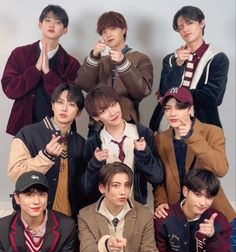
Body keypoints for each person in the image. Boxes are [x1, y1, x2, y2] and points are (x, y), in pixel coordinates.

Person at [154, 86, 235, 222]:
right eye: (168, 108)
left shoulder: (213, 132)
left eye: (179, 107)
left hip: (210, 211)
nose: (172, 113)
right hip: (177, 212)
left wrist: (192, 137)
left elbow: (221, 169)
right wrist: (160, 200)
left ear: (190, 109)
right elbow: (159, 178)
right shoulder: (161, 138)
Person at [8, 82, 87, 220]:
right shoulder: (27, 134)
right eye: (60, 102)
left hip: (68, 221)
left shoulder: (81, 143)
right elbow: (15, 173)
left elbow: (83, 187)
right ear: (52, 105)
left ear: (79, 112)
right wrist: (46, 156)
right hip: (33, 218)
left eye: (71, 104)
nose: (64, 108)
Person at [2, 4, 80, 136]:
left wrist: (48, 73)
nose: (51, 25)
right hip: (24, 127)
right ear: (40, 24)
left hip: (59, 129)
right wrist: (36, 70)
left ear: (65, 29)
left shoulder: (72, 63)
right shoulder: (19, 54)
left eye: (58, 22)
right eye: (48, 20)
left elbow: (72, 99)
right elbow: (10, 89)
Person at [149, 5, 229, 132]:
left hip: (202, 125)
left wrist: (176, 94)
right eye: (180, 27)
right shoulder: (170, 59)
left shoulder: (217, 58)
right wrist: (178, 64)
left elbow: (213, 97)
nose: (185, 29)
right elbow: (165, 92)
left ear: (201, 23)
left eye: (189, 23)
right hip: (166, 126)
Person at [82, 85, 163, 205]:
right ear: (95, 117)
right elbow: (87, 189)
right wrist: (95, 163)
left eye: (114, 104)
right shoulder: (93, 143)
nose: (112, 113)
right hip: (106, 211)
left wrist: (144, 154)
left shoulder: (143, 134)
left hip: (137, 208)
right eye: (103, 111)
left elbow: (157, 177)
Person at [75, 11, 153, 135]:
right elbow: (83, 84)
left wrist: (123, 62)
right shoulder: (100, 60)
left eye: (113, 28)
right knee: (95, 155)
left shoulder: (141, 58)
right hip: (98, 126)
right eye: (104, 31)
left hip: (127, 125)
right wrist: (94, 56)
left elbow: (142, 91)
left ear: (123, 30)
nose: (108, 34)